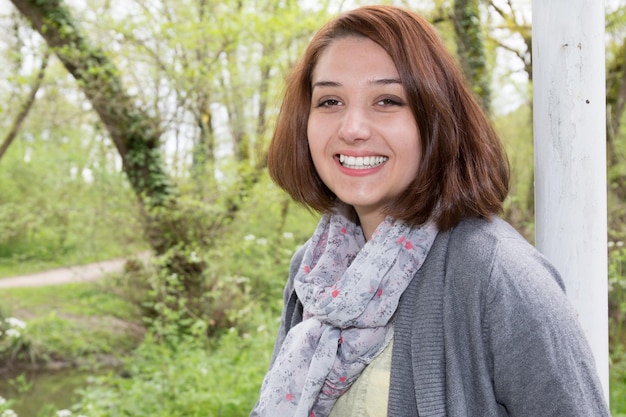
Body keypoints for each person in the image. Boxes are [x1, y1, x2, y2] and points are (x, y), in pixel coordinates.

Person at [250, 5, 610, 417]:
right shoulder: (313, 274)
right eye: (330, 100)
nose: (352, 128)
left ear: (435, 117)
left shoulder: (495, 275)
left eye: (387, 100)